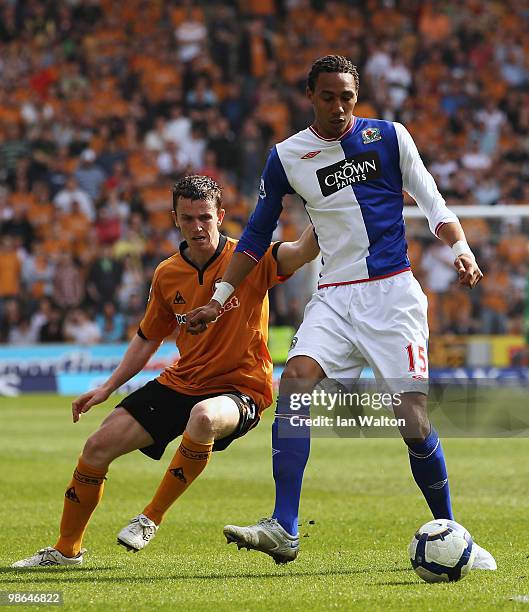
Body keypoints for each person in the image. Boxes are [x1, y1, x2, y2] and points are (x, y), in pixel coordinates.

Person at [186, 56, 496, 569]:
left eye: (347, 97)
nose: (338, 107)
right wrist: (219, 299)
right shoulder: (286, 157)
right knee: (297, 381)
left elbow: (432, 201)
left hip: (392, 294)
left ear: (358, 95)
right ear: (310, 96)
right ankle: (285, 526)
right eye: (328, 97)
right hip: (333, 293)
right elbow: (258, 235)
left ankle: (454, 530)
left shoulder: (390, 137)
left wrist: (460, 247)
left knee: (411, 421)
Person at [12, 175, 319, 567]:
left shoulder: (250, 257)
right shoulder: (167, 273)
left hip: (240, 388)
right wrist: (107, 387)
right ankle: (65, 550)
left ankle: (150, 517)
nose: (197, 226)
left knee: (204, 417)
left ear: (220, 216)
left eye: (205, 217)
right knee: (95, 449)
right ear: (175, 218)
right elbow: (147, 338)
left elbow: (302, 251)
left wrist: (331, 205)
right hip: (183, 380)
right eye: (188, 218)